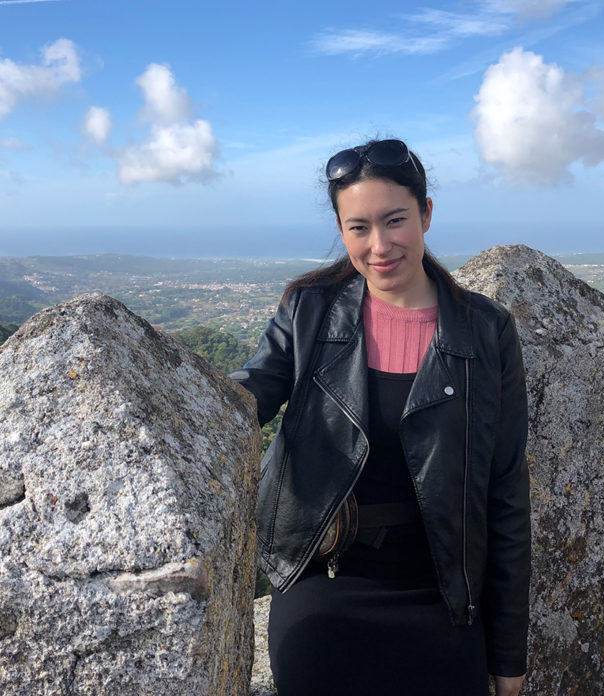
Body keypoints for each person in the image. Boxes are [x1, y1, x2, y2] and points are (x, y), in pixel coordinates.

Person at [230, 138, 530, 696]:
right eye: (358, 228)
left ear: (426, 215)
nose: (379, 245)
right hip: (327, 580)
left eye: (395, 221)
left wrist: (509, 653)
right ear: (342, 232)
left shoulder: (486, 332)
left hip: (442, 595)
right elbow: (240, 402)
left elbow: (506, 492)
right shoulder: (308, 312)